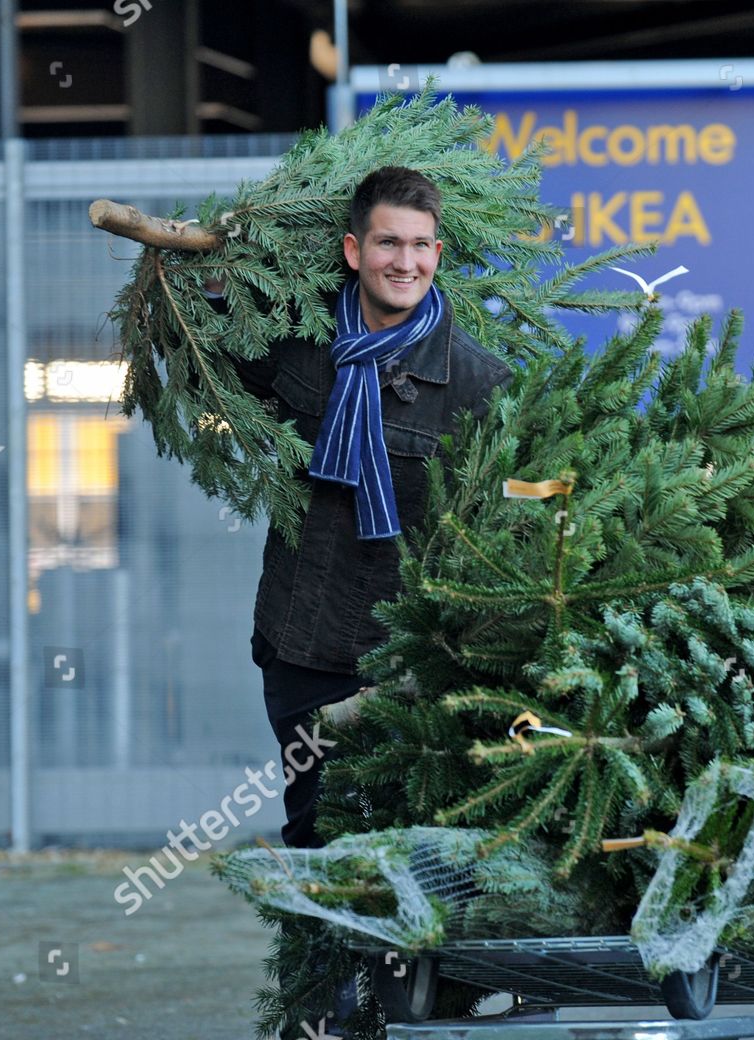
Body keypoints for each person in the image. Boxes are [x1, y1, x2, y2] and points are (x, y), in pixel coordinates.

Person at [204, 166, 513, 1034]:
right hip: (303, 644)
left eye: (419, 246)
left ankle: (410, 1009)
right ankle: (323, 1018)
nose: (403, 262)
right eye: (387, 243)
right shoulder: (301, 347)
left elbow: (500, 528)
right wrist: (231, 254)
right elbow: (207, 336)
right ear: (353, 250)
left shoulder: (478, 384)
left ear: (438, 254)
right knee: (317, 837)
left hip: (410, 657)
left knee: (416, 847)